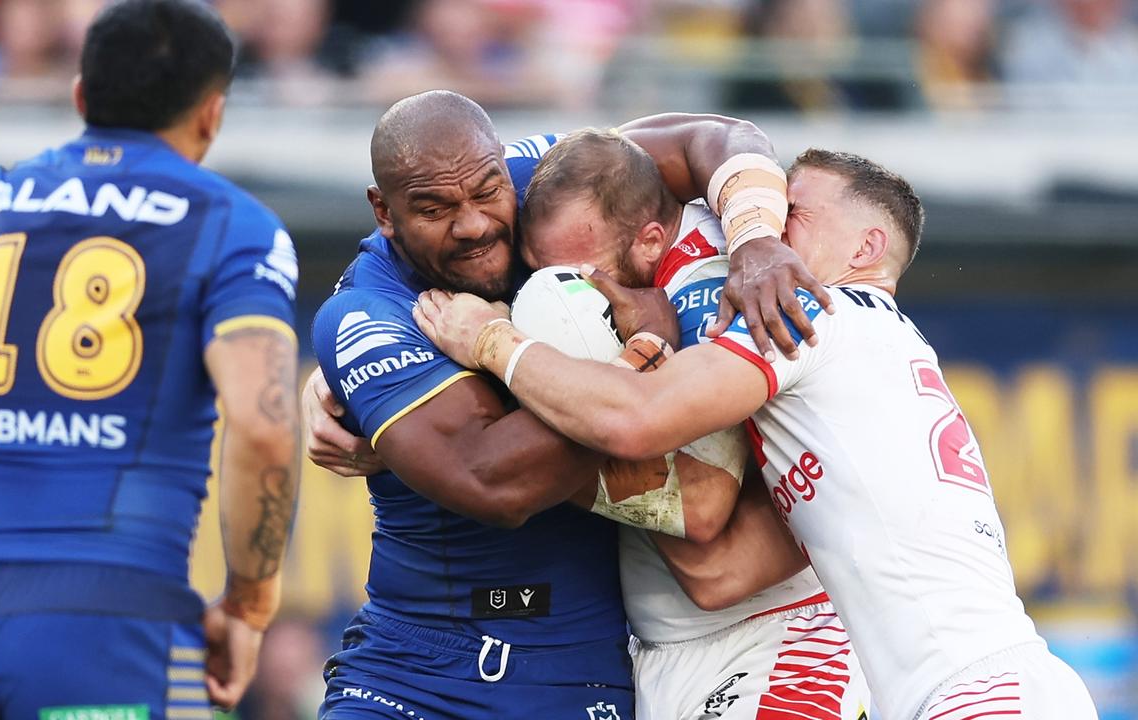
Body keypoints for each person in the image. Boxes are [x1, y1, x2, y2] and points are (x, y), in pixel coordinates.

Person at [414, 148, 1101, 720]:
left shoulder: (811, 312)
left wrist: (492, 342)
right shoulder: (889, 347)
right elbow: (722, 569)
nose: (759, 229)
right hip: (998, 684)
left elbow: (637, 417)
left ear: (867, 246)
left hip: (979, 696)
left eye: (792, 211)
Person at [309, 89, 827, 719]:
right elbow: (494, 483)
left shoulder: (538, 179)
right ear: (383, 212)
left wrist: (754, 239)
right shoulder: (368, 315)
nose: (472, 223)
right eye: (433, 208)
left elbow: (713, 136)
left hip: (574, 668)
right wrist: (642, 358)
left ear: (503, 164)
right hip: (413, 669)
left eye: (484, 191)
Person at [0, 1, 301, 717]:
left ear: (79, 96)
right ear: (213, 114)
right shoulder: (233, 225)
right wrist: (249, 606)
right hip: (116, 625)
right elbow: (263, 424)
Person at [507, 127, 873, 719]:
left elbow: (699, 507)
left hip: (775, 638)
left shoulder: (711, 289)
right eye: (541, 272)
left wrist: (502, 421)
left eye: (578, 274)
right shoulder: (628, 226)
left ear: (651, 239)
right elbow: (715, 134)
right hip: (666, 653)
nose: (560, 292)